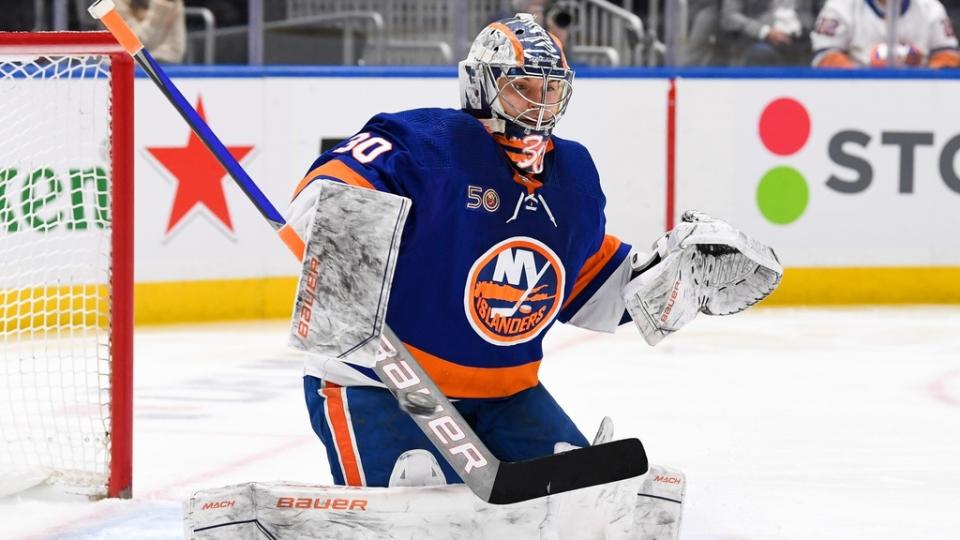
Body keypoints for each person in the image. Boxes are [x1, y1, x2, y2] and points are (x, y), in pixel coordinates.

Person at [285, 14, 778, 490]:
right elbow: (335, 183)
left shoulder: (573, 173)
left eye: (550, 90)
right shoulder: (429, 143)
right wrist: (339, 222)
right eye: (522, 87)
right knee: (412, 502)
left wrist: (669, 280)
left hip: (508, 394)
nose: (539, 105)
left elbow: (586, 286)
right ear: (481, 86)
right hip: (380, 384)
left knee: (582, 498)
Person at [810, 0, 960, 68]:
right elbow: (825, 58)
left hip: (920, 94)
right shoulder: (840, 5)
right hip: (856, 94)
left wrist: (923, 78)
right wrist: (865, 76)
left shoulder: (930, 7)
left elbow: (949, 57)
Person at [721, 0, 816, 65]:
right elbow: (729, 17)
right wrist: (765, 32)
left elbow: (824, 9)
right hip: (758, 40)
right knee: (761, 54)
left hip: (804, 39)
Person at [115, 0, 185, 64]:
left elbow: (174, 51)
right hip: (121, 67)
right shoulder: (114, 3)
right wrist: (160, 9)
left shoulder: (172, 2)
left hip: (165, 66)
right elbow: (136, 45)